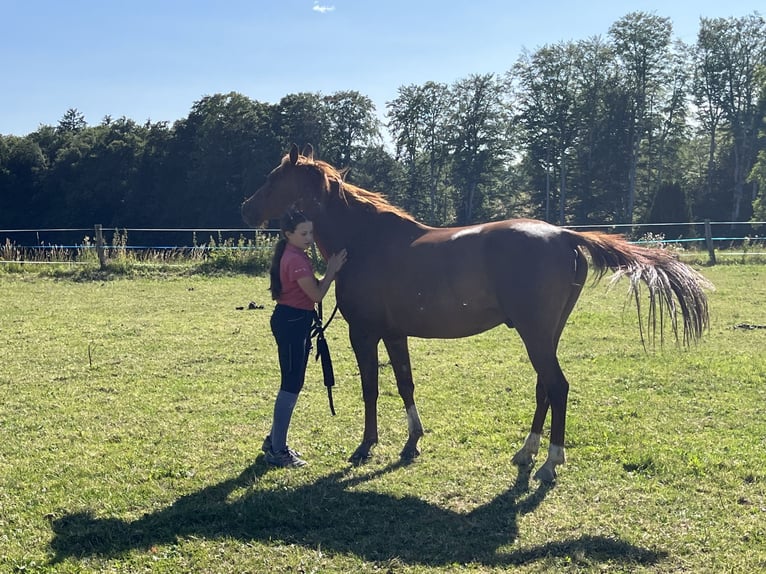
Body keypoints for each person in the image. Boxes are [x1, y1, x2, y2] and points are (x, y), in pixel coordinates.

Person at [261, 209, 347, 468]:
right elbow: (317, 295)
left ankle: (274, 441)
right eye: (303, 233)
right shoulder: (296, 260)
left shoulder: (293, 254)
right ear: (289, 234)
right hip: (293, 323)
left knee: (291, 382)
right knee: (291, 385)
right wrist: (332, 270)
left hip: (292, 320)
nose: (310, 237)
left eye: (311, 232)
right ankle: (278, 451)